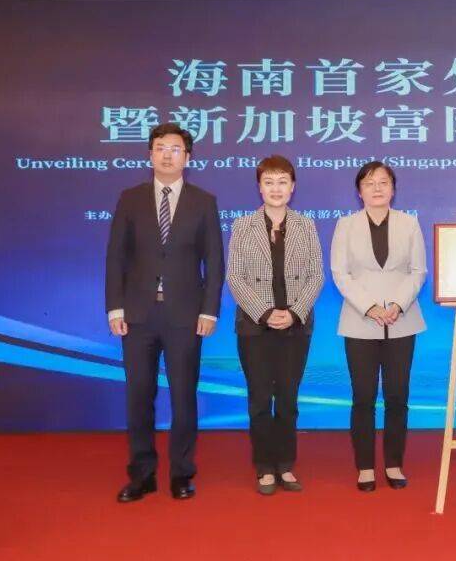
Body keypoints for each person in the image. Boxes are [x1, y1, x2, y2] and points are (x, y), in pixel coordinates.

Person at [106, 122, 223, 502]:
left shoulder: (203, 201)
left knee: (184, 398)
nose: (167, 155)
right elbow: (116, 257)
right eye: (160, 148)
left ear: (187, 157)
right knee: (139, 396)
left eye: (175, 149)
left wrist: (209, 311)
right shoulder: (130, 198)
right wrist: (115, 307)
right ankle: (142, 475)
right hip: (138, 315)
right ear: (150, 154)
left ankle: (181, 473)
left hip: (185, 316)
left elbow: (214, 261)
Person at [226, 156, 324, 495]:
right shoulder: (243, 226)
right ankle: (264, 467)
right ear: (259, 187)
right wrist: (265, 312)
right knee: (259, 398)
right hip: (255, 327)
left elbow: (316, 276)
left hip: (296, 326)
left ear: (292, 187)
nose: (276, 188)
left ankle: (285, 464)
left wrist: (294, 312)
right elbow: (235, 277)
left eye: (282, 182)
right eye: (269, 182)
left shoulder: (306, 225)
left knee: (287, 398)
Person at [330, 161, 427, 491]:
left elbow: (418, 271)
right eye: (369, 183)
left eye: (383, 182)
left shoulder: (409, 223)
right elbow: (340, 273)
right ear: (359, 191)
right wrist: (370, 307)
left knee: (398, 396)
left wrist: (397, 304)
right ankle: (365, 467)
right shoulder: (345, 225)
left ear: (393, 189)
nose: (376, 188)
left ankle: (394, 463)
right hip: (360, 321)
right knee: (364, 397)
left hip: (402, 320)